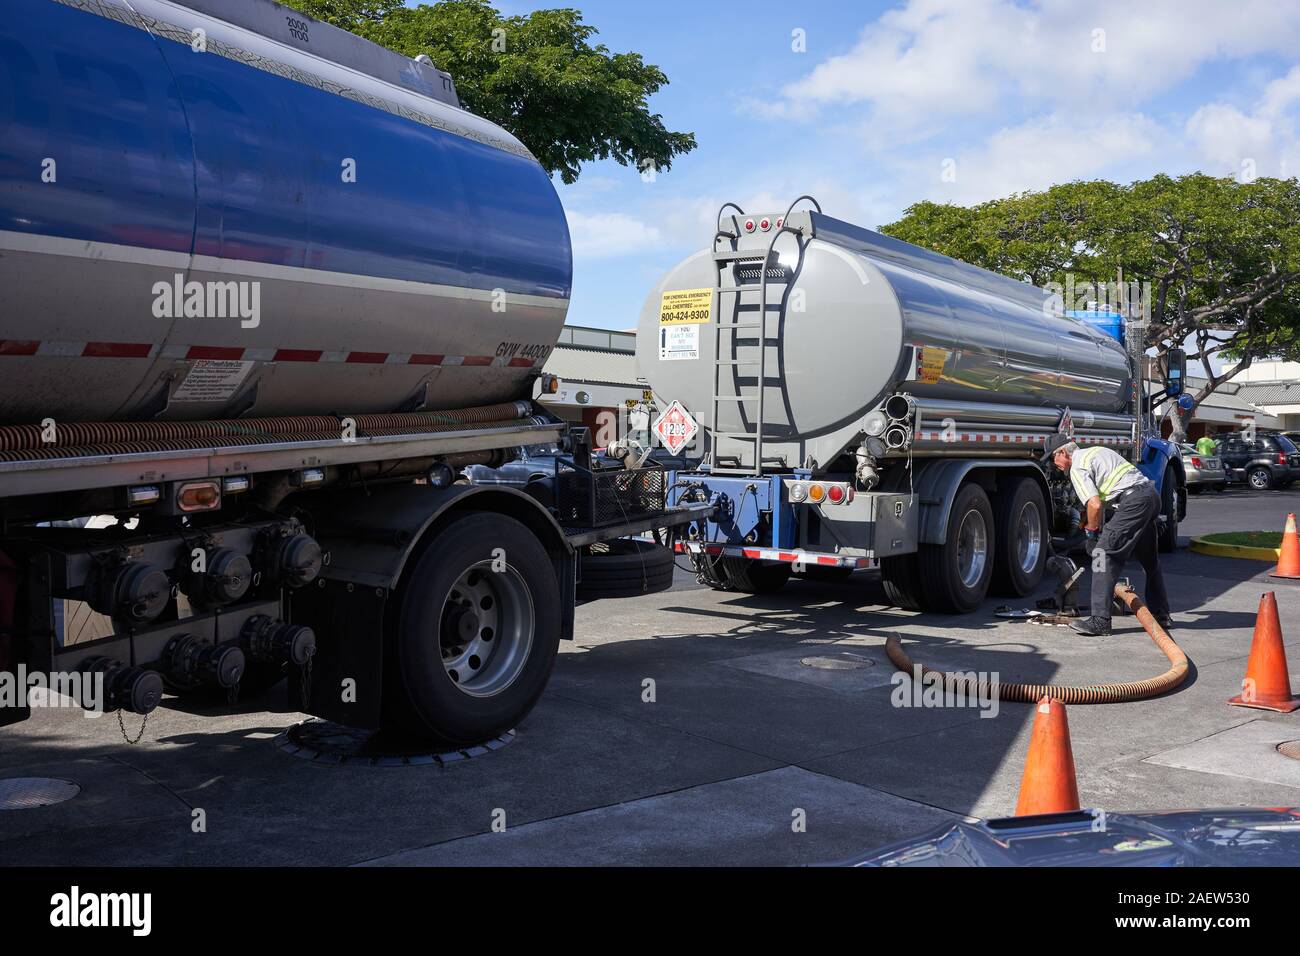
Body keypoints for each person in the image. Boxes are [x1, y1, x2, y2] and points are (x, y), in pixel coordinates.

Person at [1042, 435, 1173, 636]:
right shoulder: (1096, 452)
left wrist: (1092, 535)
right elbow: (1103, 502)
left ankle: (1100, 621)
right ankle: (1161, 614)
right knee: (1150, 561)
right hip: (1150, 497)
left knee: (1102, 555)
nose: (1054, 464)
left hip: (1133, 503)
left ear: (1063, 452)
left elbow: (1094, 504)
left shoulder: (1077, 467)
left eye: (1053, 458)